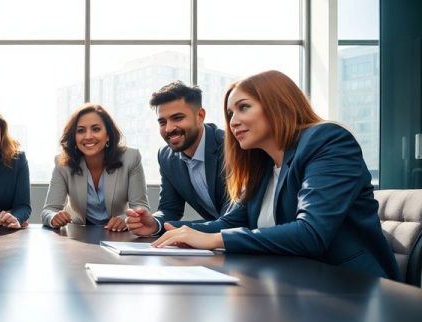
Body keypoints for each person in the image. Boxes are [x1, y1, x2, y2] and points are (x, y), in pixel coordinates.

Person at [152, 70, 399, 279]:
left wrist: (216, 239)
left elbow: (311, 233)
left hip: (351, 287)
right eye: (230, 114)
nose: (233, 122)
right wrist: (171, 230)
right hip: (292, 283)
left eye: (243, 108)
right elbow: (230, 222)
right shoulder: (262, 162)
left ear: (277, 105)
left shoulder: (327, 141)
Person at [126, 81, 229, 237]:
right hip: (217, 242)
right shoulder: (166, 156)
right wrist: (154, 223)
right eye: (162, 122)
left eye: (178, 118)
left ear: (200, 116)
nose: (168, 128)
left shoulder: (230, 148)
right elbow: (170, 208)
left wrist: (171, 229)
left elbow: (232, 221)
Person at [42, 103, 149, 231]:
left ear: (108, 134)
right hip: (79, 235)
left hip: (117, 235)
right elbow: (48, 210)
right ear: (74, 137)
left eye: (96, 129)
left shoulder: (131, 158)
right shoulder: (63, 163)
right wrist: (53, 217)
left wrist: (126, 220)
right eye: (81, 130)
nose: (88, 136)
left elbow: (141, 208)